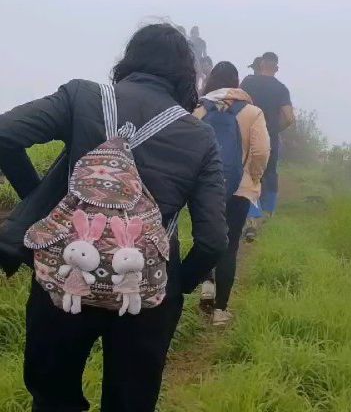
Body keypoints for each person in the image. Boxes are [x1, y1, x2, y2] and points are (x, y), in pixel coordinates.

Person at [0, 23, 228, 412]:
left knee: (53, 399)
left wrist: (48, 205)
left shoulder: (82, 97)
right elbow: (212, 241)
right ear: (184, 76)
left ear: (130, 60)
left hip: (65, 272)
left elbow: (5, 134)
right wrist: (176, 285)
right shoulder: (199, 136)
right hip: (144, 290)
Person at [194, 62, 270, 325]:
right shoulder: (252, 112)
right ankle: (220, 311)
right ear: (237, 83)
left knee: (205, 237)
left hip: (204, 190)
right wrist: (253, 178)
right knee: (230, 245)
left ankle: (206, 285)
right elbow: (261, 152)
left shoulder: (200, 110)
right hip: (240, 188)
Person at [241, 52, 295, 220]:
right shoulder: (281, 88)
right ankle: (268, 211)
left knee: (248, 171)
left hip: (247, 134)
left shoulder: (247, 82)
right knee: (270, 171)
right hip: (269, 135)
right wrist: (275, 129)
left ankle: (251, 211)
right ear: (276, 68)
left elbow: (236, 104)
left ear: (261, 64)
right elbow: (289, 118)